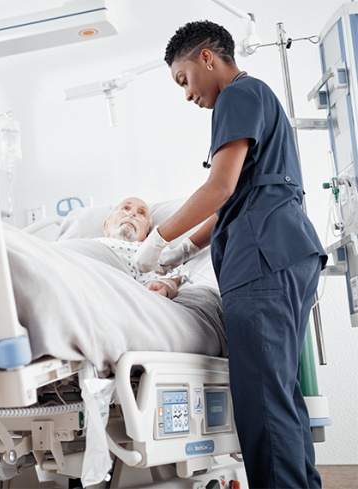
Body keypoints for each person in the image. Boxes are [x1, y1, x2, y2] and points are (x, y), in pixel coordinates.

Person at [133, 20, 327, 489]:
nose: (186, 95)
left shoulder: (238, 95)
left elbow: (219, 187)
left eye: (183, 80)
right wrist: (180, 250)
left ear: (206, 58)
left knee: (260, 397)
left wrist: (157, 238)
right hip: (285, 252)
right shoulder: (257, 99)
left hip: (263, 260)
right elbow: (234, 201)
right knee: (279, 394)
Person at [97, 196, 182, 299]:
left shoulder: (150, 251)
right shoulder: (89, 241)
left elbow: (167, 280)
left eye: (141, 213)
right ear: (106, 226)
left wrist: (163, 287)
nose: (132, 213)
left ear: (147, 233)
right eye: (125, 208)